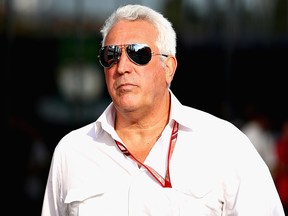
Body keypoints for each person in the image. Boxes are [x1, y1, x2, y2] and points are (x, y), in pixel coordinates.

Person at [41, 4, 285, 216]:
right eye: (111, 55)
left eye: (138, 53)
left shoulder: (226, 146)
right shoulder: (72, 151)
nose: (122, 66)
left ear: (168, 67)